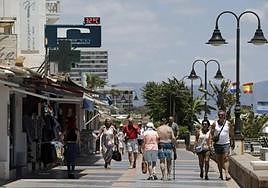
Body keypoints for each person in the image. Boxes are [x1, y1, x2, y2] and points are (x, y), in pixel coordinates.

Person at [210, 110, 234, 181]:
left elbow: (231, 133)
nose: (221, 116)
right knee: (219, 160)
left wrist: (233, 141)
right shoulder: (215, 124)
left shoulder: (228, 123)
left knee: (226, 158)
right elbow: (211, 133)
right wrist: (210, 143)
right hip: (217, 144)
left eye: (222, 115)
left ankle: (226, 174)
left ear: (225, 116)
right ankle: (221, 174)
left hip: (226, 143)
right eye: (219, 115)